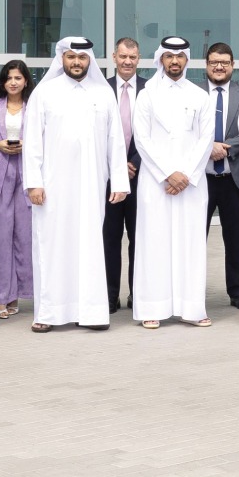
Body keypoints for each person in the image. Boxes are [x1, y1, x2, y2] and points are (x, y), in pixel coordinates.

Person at [23, 37, 130, 333]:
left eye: (82, 58)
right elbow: (32, 141)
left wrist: (119, 180)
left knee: (90, 245)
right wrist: (33, 182)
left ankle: (92, 312)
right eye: (71, 57)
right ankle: (48, 313)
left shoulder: (103, 93)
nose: (77, 63)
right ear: (62, 59)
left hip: (93, 185)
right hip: (52, 187)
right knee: (51, 245)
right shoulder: (45, 92)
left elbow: (115, 141)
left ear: (90, 61)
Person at [130, 36, 212, 329]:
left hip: (190, 184)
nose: (174, 62)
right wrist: (168, 173)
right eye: (168, 57)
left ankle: (192, 308)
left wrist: (185, 175)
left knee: (190, 244)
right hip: (157, 183)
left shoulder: (200, 95)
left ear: (186, 60)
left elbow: (205, 139)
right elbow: (142, 139)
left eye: (179, 57)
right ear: (160, 60)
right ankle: (152, 307)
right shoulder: (147, 94)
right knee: (155, 242)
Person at [203, 42, 239, 310]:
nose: (219, 67)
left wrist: (224, 147)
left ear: (233, 65)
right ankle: (193, 291)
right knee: (195, 237)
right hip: (201, 180)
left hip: (235, 178)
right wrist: (206, 146)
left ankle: (238, 291)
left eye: (224, 62)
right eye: (213, 62)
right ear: (206, 65)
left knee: (236, 238)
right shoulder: (193, 93)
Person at [0, 60, 34, 320]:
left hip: (26, 174)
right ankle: (0, 297)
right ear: (2, 81)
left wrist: (30, 144)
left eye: (18, 77)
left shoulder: (34, 107)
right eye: (9, 78)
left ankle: (19, 294)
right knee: (0, 239)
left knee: (24, 237)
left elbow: (45, 139)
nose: (13, 82)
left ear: (26, 80)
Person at [104, 37, 146, 314]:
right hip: (108, 180)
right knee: (108, 238)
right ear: (114, 57)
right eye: (123, 56)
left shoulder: (150, 89)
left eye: (132, 57)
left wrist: (133, 162)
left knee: (139, 239)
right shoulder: (101, 88)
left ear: (139, 58)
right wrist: (116, 165)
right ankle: (108, 296)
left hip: (142, 178)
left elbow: (156, 133)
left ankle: (138, 295)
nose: (127, 61)